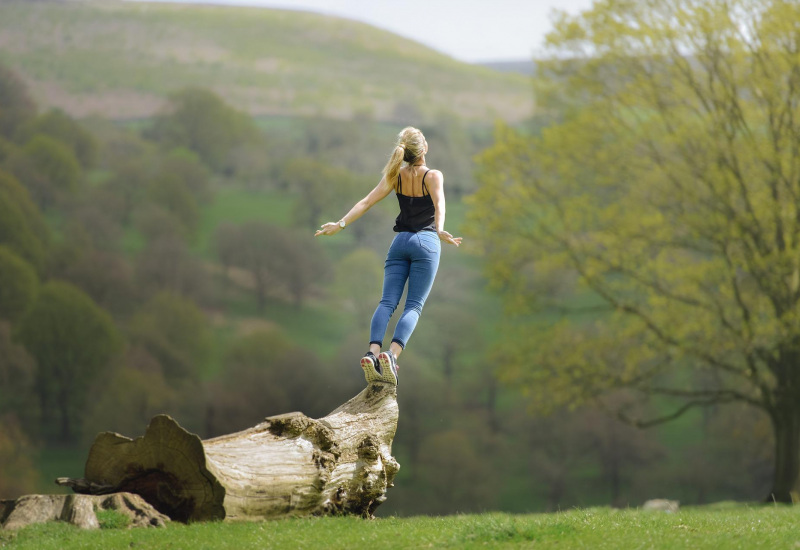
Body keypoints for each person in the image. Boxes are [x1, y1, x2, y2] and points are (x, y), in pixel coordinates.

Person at [315, 126, 462, 385]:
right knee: (414, 305)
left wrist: (340, 225)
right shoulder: (433, 175)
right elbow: (440, 203)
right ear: (424, 149)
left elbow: (366, 202)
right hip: (426, 243)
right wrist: (439, 230)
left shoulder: (396, 176)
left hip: (399, 243)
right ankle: (391, 356)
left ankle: (372, 353)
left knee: (386, 303)